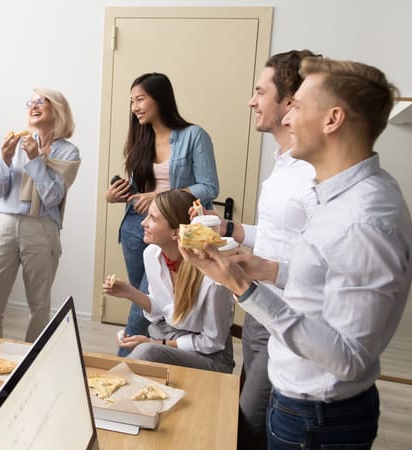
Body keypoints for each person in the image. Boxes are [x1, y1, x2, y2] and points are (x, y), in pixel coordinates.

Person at [181, 57, 412, 449]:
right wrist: (257, 268)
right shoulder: (335, 198)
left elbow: (349, 357)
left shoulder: (365, 219)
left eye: (298, 107)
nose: (287, 120)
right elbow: (322, 281)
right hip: (300, 402)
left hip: (317, 418)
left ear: (332, 119)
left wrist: (243, 287)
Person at [190, 50, 319, 450]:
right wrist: (230, 229)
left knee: (243, 424)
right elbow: (282, 234)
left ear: (289, 102)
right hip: (260, 310)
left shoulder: (315, 172)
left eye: (260, 92)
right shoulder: (284, 163)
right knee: (253, 418)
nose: (252, 101)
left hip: (291, 319)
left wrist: (262, 268)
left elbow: (325, 262)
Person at [105, 73, 219, 356]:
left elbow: (209, 187)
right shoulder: (140, 138)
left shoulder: (194, 136)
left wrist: (158, 197)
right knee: (147, 302)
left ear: (161, 99)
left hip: (174, 229)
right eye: (132, 101)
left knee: (142, 306)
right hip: (136, 226)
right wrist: (112, 195)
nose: (135, 106)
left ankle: (129, 363)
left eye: (141, 99)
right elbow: (136, 188)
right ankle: (159, 357)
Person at [0, 88, 81, 342]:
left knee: (39, 305)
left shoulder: (69, 153)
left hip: (42, 228)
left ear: (57, 109)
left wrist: (35, 160)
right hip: (6, 223)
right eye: (29, 102)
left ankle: (32, 362)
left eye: (40, 101)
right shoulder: (18, 143)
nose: (32, 106)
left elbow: (53, 198)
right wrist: (5, 159)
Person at [103, 189, 234, 373]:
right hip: (171, 336)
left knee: (145, 352)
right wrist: (129, 292)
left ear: (176, 233)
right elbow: (161, 310)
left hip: (210, 356)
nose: (143, 223)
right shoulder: (152, 255)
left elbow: (212, 342)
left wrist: (156, 343)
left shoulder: (212, 278)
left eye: (153, 219)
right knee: (145, 350)